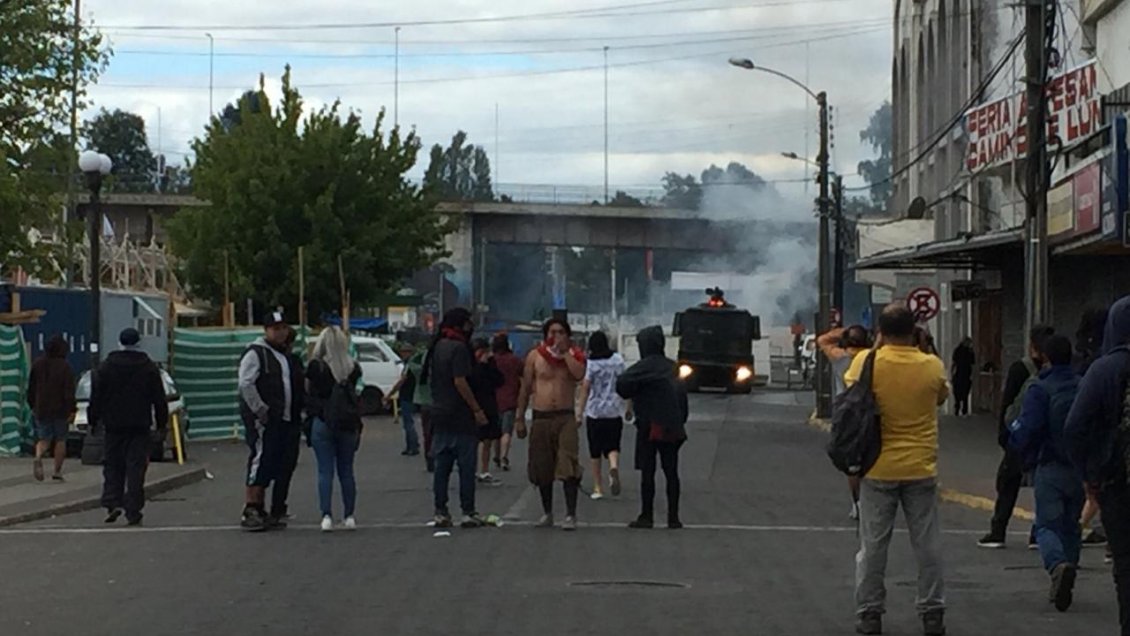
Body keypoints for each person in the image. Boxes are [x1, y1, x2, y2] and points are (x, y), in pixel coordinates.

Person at [845, 304, 949, 636]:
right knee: (928, 544)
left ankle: (870, 612)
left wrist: (876, 350)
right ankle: (932, 612)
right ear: (914, 330)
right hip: (920, 466)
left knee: (873, 545)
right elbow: (941, 398)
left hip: (877, 467)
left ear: (880, 331)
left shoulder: (866, 361)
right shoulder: (931, 365)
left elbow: (852, 392)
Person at [1066, 295, 1130, 635]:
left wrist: (1090, 474)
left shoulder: (1104, 369)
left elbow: (1075, 428)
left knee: (1125, 565)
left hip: (1117, 482)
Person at [1007, 335, 1083, 612]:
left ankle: (1057, 566)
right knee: (1071, 525)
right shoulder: (1081, 384)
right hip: (1079, 466)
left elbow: (1027, 429)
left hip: (1049, 464)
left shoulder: (1041, 388)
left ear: (1045, 357)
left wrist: (1016, 444)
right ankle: (1069, 573)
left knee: (1047, 526)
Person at [978, 325, 1054, 549]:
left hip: (1019, 435)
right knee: (1042, 487)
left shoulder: (1021, 368)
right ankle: (1036, 533)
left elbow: (1008, 401)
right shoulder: (1060, 368)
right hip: (1046, 437)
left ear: (1033, 346)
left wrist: (1004, 434)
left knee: (1007, 483)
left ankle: (998, 531)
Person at [89, 328, 168, 526]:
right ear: (139, 342)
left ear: (120, 342)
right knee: (136, 468)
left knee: (112, 464)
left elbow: (97, 396)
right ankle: (133, 510)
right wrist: (161, 423)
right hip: (139, 424)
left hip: (113, 424)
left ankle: (112, 501)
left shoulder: (106, 367)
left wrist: (93, 419)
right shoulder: (148, 367)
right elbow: (159, 398)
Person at [515, 318, 587, 531]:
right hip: (541, 417)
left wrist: (565, 353)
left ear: (568, 335)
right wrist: (519, 418)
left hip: (565, 417)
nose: (556, 337)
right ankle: (547, 513)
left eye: (561, 332)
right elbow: (526, 388)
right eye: (552, 332)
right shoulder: (535, 357)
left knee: (569, 465)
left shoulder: (574, 355)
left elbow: (579, 375)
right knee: (542, 467)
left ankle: (570, 514)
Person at [616, 326, 688, 529]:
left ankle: (646, 515)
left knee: (648, 472)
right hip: (673, 426)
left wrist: (639, 386)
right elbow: (682, 397)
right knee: (671, 472)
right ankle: (673, 517)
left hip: (650, 425)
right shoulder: (672, 367)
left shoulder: (644, 367)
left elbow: (622, 383)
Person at [422, 308, 488, 529]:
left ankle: (441, 511)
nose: (472, 327)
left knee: (442, 468)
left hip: (439, 414)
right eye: (469, 323)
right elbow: (460, 381)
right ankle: (468, 512)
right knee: (466, 467)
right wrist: (477, 409)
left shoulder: (438, 346)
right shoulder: (460, 348)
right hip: (460, 415)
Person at [237, 311, 298, 532]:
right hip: (264, 420)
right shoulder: (256, 353)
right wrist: (260, 409)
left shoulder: (283, 354)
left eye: (283, 328)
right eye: (276, 328)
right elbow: (245, 384)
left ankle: (264, 508)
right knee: (260, 459)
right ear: (266, 330)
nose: (281, 332)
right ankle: (251, 507)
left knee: (274, 461)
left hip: (283, 419)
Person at [305, 326, 363, 532]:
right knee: (347, 470)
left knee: (324, 470)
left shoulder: (315, 367)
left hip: (323, 421)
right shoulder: (353, 368)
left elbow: (309, 395)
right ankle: (349, 516)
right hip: (347, 423)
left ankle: (326, 516)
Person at [817, 325, 873, 519]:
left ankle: (857, 502)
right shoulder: (871, 357)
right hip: (870, 410)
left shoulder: (839, 357)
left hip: (846, 415)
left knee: (852, 463)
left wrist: (843, 330)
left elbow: (823, 340)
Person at [579, 331, 627, 500]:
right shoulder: (618, 360)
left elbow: (585, 388)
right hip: (614, 410)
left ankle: (598, 487)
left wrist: (579, 413)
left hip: (595, 412)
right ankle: (613, 466)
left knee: (595, 451)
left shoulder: (592, 364)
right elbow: (625, 384)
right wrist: (628, 407)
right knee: (613, 445)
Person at [266, 326, 306, 528]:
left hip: (289, 418)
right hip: (282, 418)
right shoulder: (287, 362)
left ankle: (276, 506)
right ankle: (276, 505)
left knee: (282, 464)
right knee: (282, 464)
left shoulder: (290, 362)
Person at [26, 335, 76, 482]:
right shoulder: (65, 367)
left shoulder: (37, 364)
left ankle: (38, 456)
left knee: (44, 439)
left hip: (41, 407)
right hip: (61, 409)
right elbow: (69, 391)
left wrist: (32, 404)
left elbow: (32, 387)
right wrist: (72, 408)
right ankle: (57, 472)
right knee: (60, 439)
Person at [470, 338, 504, 484]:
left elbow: (499, 381)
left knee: (487, 439)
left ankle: (484, 470)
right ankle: (474, 469)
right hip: (476, 405)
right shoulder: (470, 365)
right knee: (476, 440)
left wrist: (489, 364)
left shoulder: (490, 365)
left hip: (489, 405)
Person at [492, 333, 523, 472]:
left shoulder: (492, 360)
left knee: (496, 432)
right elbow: (524, 376)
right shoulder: (515, 360)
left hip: (493, 399)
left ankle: (496, 456)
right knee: (507, 431)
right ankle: (505, 456)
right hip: (510, 399)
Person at [385, 343, 421, 456]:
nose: (401, 354)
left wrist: (390, 393)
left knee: (408, 423)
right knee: (408, 422)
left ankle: (413, 446)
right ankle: (411, 445)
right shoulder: (415, 364)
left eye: (404, 352)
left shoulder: (409, 365)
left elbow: (402, 381)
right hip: (412, 395)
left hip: (407, 395)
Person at [403, 345, 435, 471]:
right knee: (437, 433)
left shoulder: (418, 370)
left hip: (424, 403)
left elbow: (412, 361)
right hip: (437, 403)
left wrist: (422, 352)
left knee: (427, 434)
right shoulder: (436, 371)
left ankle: (429, 458)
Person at [951, 337, 975, 417]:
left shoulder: (957, 350)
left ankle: (957, 410)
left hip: (958, 374)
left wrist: (952, 374)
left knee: (957, 393)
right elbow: (972, 363)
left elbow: (953, 363)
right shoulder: (969, 351)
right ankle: (964, 410)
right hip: (965, 375)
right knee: (965, 393)